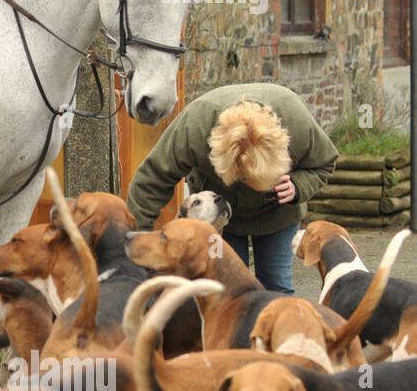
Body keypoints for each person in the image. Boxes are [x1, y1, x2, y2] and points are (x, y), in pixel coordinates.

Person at [126, 83, 338, 294]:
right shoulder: (195, 127)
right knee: (226, 287)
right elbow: (150, 182)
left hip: (277, 213)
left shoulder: (297, 124)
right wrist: (138, 248)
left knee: (276, 286)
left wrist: (298, 186)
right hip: (219, 219)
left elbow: (325, 163)